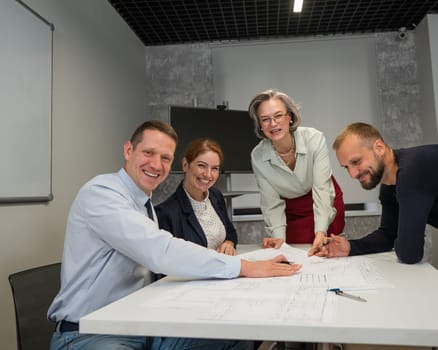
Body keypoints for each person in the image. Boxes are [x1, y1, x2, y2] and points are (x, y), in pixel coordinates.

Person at [47, 120, 301, 350]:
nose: (156, 165)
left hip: (140, 326)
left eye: (165, 158)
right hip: (89, 332)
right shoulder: (102, 193)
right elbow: (160, 251)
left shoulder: (144, 204)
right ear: (128, 151)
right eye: (148, 153)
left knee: (237, 339)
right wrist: (245, 267)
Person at [324, 122, 438, 264]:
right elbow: (388, 235)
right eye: (346, 167)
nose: (352, 174)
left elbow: (410, 253)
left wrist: (404, 241)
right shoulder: (389, 188)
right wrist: (351, 247)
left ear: (379, 148)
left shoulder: (413, 169)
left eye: (356, 161)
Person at [248, 89, 345, 255]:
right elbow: (271, 204)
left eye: (278, 115)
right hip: (290, 210)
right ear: (260, 125)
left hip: (323, 198)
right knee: (291, 252)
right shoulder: (257, 156)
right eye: (265, 119)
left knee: (326, 251)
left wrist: (321, 231)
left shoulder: (314, 139)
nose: (273, 124)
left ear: (290, 116)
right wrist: (279, 241)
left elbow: (322, 188)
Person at [156, 138, 238, 255]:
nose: (208, 174)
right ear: (185, 165)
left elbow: (230, 232)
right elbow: (165, 262)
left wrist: (229, 243)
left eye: (214, 168)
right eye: (201, 166)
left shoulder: (216, 196)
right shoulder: (165, 213)